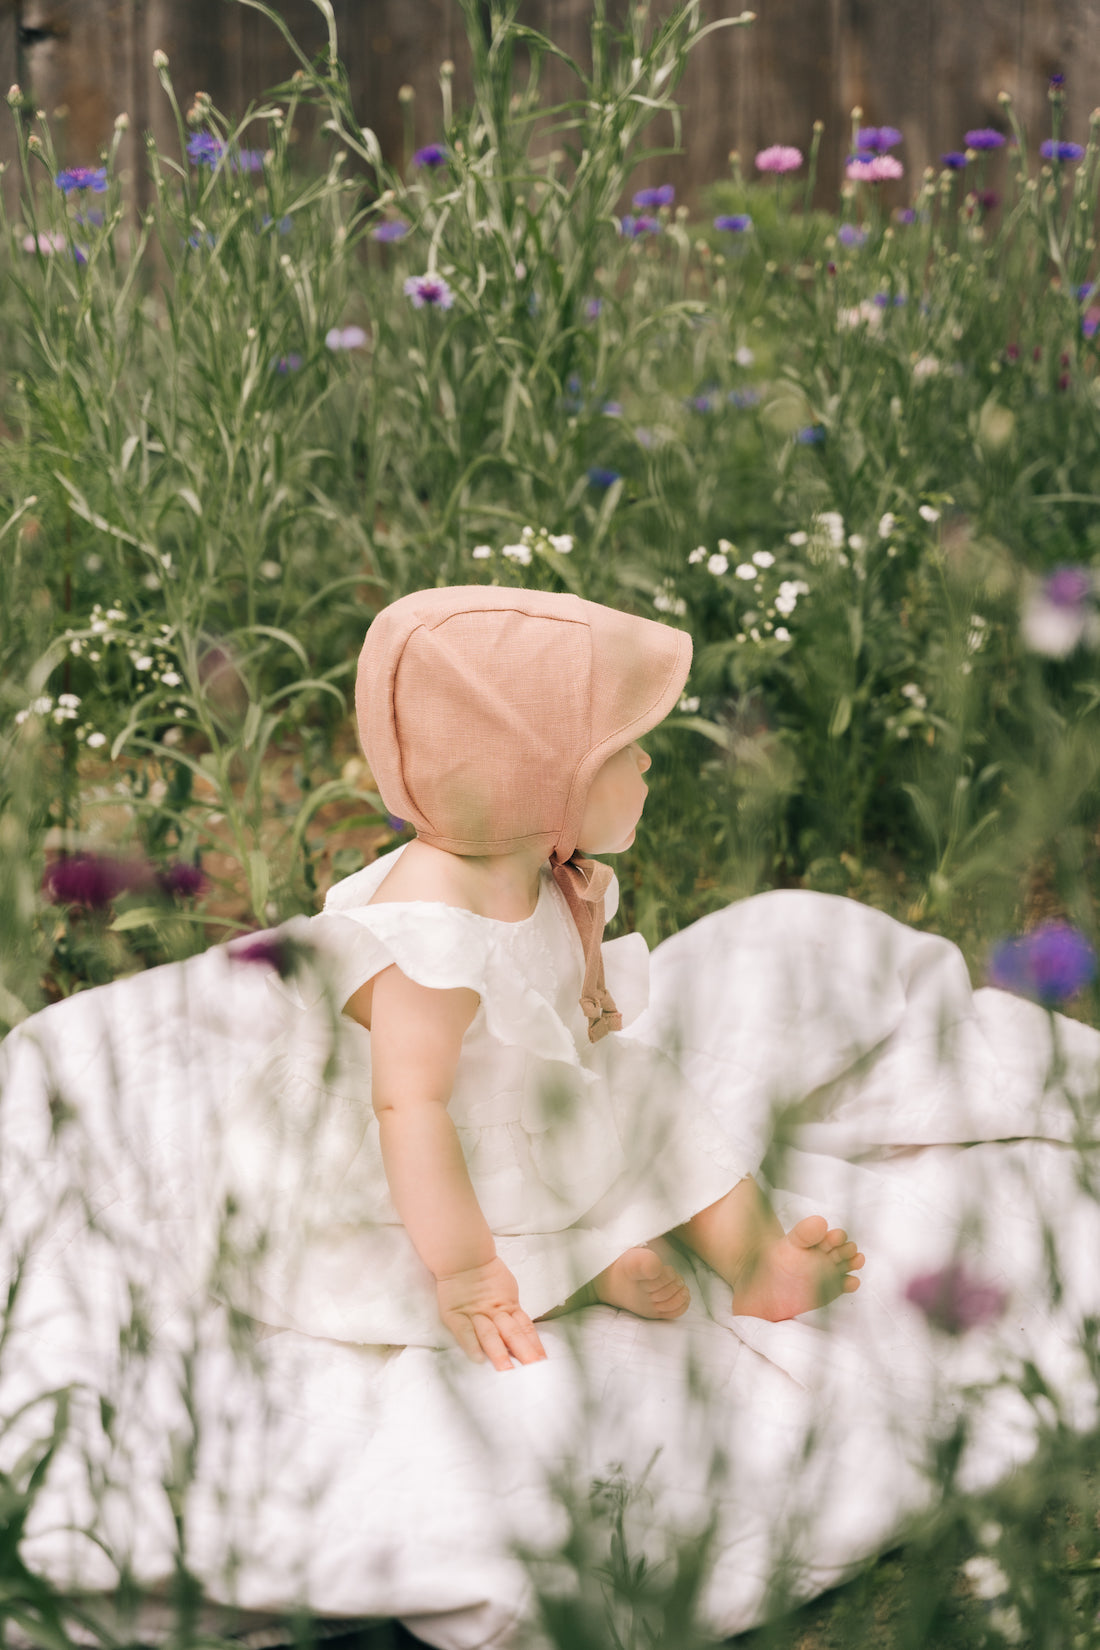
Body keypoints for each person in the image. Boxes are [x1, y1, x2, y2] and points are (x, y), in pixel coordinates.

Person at [224, 584, 862, 1370]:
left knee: (648, 1087)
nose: (649, 759)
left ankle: (756, 1262)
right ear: (537, 778)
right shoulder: (432, 933)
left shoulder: (532, 863)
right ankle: (574, 1269)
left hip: (521, 1112)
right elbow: (408, 1105)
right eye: (625, 749)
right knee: (392, 1257)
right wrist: (467, 1273)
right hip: (426, 1167)